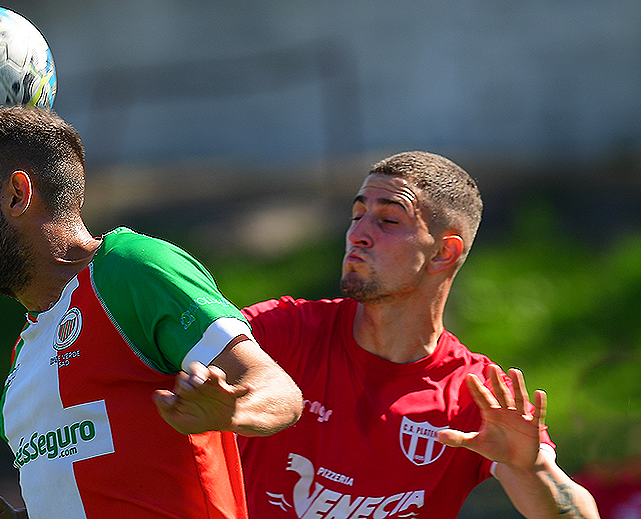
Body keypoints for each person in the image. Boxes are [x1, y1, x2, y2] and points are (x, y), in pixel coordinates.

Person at [0, 106, 302, 519]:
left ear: (17, 194)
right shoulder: (24, 355)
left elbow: (279, 392)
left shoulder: (129, 269)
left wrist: (232, 409)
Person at [238, 151, 600, 518]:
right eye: (357, 215)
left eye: (389, 220)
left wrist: (530, 469)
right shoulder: (281, 331)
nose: (357, 234)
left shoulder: (474, 395)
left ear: (444, 252)